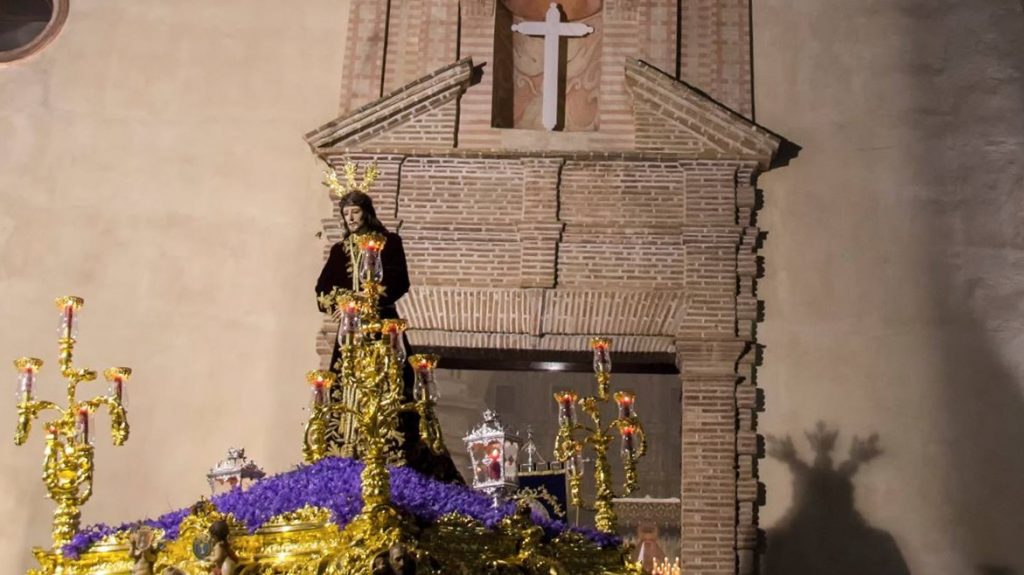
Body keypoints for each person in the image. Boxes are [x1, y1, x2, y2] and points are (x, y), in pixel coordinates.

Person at [315, 190, 462, 484]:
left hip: (384, 329)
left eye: (355, 212)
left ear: (366, 212)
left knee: (396, 385)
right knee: (344, 386)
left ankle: (396, 449)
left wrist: (371, 298)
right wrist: (342, 303)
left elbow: (400, 280)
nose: (351, 218)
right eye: (346, 214)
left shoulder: (389, 243)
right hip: (351, 334)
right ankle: (345, 447)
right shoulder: (338, 250)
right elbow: (322, 290)